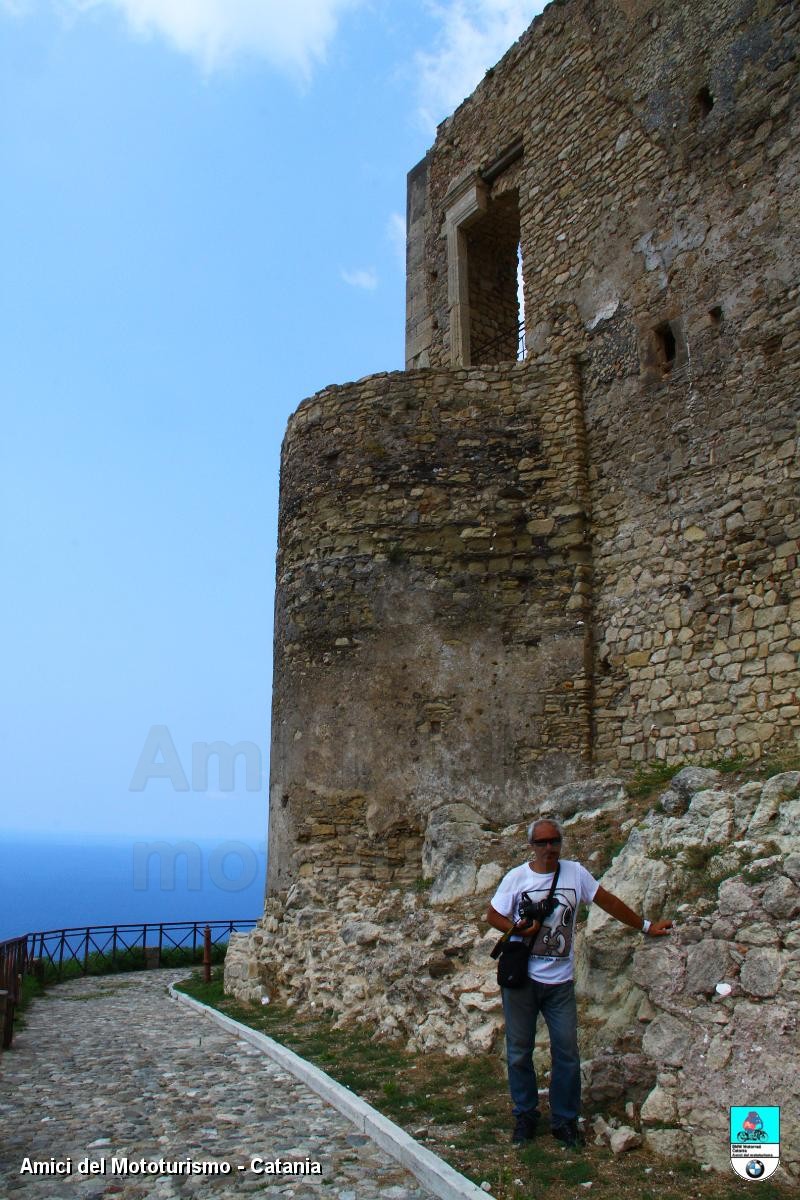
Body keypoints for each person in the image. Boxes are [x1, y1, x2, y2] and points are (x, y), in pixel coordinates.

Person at [487, 818, 672, 1147]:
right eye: (542, 842)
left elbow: (608, 902)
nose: (549, 848)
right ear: (531, 845)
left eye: (554, 841)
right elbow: (492, 915)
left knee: (567, 1053)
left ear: (561, 842)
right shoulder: (517, 877)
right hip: (522, 981)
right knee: (518, 1052)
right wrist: (521, 928)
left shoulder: (576, 873)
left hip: (560, 983)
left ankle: (564, 1120)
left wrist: (645, 926)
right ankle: (525, 1116)